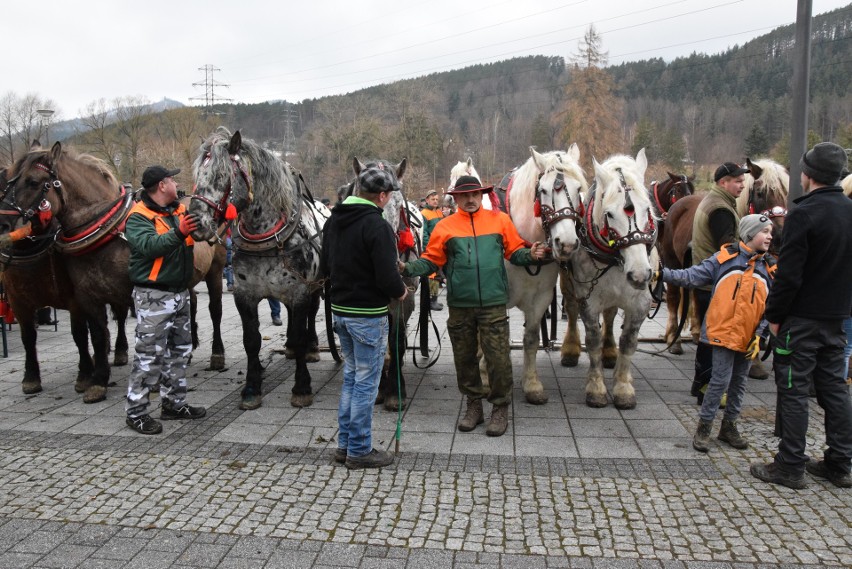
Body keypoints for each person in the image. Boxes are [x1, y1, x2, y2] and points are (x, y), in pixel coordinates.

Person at [400, 176, 547, 437]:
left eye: (475, 195)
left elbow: (514, 251)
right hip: (460, 304)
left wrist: (531, 254)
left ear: (482, 196)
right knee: (465, 359)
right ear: (455, 198)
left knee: (498, 359)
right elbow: (432, 260)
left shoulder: (500, 220)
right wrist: (407, 267)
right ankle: (474, 406)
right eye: (464, 196)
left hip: (492, 304)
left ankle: (500, 408)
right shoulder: (445, 226)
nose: (470, 200)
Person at [751, 142, 852, 490]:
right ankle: (840, 464)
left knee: (793, 389)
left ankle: (790, 465)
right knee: (835, 391)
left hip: (801, 320)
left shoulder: (803, 215)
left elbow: (789, 275)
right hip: (837, 318)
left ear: (807, 176)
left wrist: (775, 317)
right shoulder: (850, 211)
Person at [661, 214, 775, 452]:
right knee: (719, 381)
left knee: (739, 383)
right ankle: (704, 428)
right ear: (750, 234)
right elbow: (691, 276)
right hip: (722, 333)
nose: (770, 236)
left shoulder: (770, 268)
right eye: (765, 231)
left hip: (748, 337)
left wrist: (761, 334)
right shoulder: (724, 259)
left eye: (770, 232)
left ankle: (729, 427)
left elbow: (772, 306)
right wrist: (662, 274)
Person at [320, 165, 408, 470]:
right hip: (367, 316)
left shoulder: (334, 221)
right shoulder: (377, 225)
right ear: (382, 196)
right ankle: (359, 449)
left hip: (341, 312)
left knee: (351, 379)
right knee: (366, 385)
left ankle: (344, 445)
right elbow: (387, 277)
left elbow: (325, 264)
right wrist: (400, 291)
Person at [124, 165, 206, 435]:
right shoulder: (138, 216)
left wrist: (223, 219)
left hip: (181, 293)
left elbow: (203, 234)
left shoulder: (179, 210)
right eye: (172, 179)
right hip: (153, 296)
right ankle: (136, 412)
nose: (175, 183)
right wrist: (180, 232)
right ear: (161, 185)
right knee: (149, 357)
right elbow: (149, 247)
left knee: (179, 353)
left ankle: (173, 403)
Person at [689, 161, 750, 403]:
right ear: (723, 182)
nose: (742, 185)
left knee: (707, 336)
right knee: (712, 338)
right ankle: (705, 388)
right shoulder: (721, 209)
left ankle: (699, 384)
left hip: (708, 281)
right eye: (737, 181)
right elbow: (728, 247)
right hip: (716, 283)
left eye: (743, 181)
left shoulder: (715, 201)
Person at [420, 189, 445, 311]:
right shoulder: (423, 214)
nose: (435, 201)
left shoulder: (439, 212)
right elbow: (423, 234)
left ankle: (434, 299)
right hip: (432, 248)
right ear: (427, 200)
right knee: (432, 275)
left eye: (436, 199)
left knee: (438, 275)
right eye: (432, 199)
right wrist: (428, 248)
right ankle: (431, 301)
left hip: (441, 247)